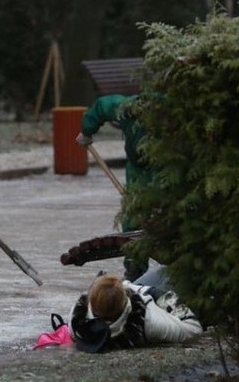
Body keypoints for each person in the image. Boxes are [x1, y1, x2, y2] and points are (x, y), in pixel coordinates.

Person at [76, 94, 152, 281]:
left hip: (168, 165)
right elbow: (101, 107)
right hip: (137, 168)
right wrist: (87, 131)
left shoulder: (172, 113)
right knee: (134, 217)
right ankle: (135, 266)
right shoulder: (125, 108)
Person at [68, 267, 202, 353]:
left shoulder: (77, 321)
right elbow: (194, 329)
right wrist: (163, 297)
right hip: (160, 305)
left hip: (139, 292)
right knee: (167, 271)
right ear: (126, 298)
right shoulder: (149, 322)